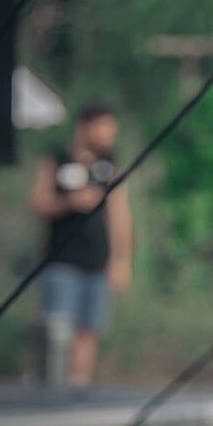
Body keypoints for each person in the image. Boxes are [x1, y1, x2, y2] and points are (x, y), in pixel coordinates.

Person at [29, 102, 132, 387]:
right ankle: (51, 383)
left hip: (97, 260)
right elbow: (38, 202)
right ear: (85, 127)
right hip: (62, 258)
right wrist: (69, 202)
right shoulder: (58, 158)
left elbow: (120, 213)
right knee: (58, 327)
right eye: (104, 127)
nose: (110, 134)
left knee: (90, 328)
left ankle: (79, 384)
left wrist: (121, 258)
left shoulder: (109, 165)